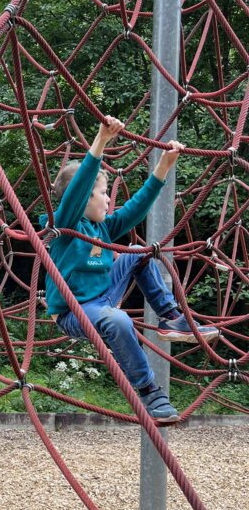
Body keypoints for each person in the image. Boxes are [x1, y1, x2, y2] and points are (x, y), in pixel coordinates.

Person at [42, 116, 219, 423]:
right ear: (84, 198)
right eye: (103, 193)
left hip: (103, 296)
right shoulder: (65, 225)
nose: (109, 199)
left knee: (138, 251)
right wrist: (100, 142)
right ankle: (150, 391)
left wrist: (163, 166)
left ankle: (171, 319)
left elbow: (135, 209)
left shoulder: (104, 227)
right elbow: (77, 191)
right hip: (74, 313)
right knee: (119, 320)